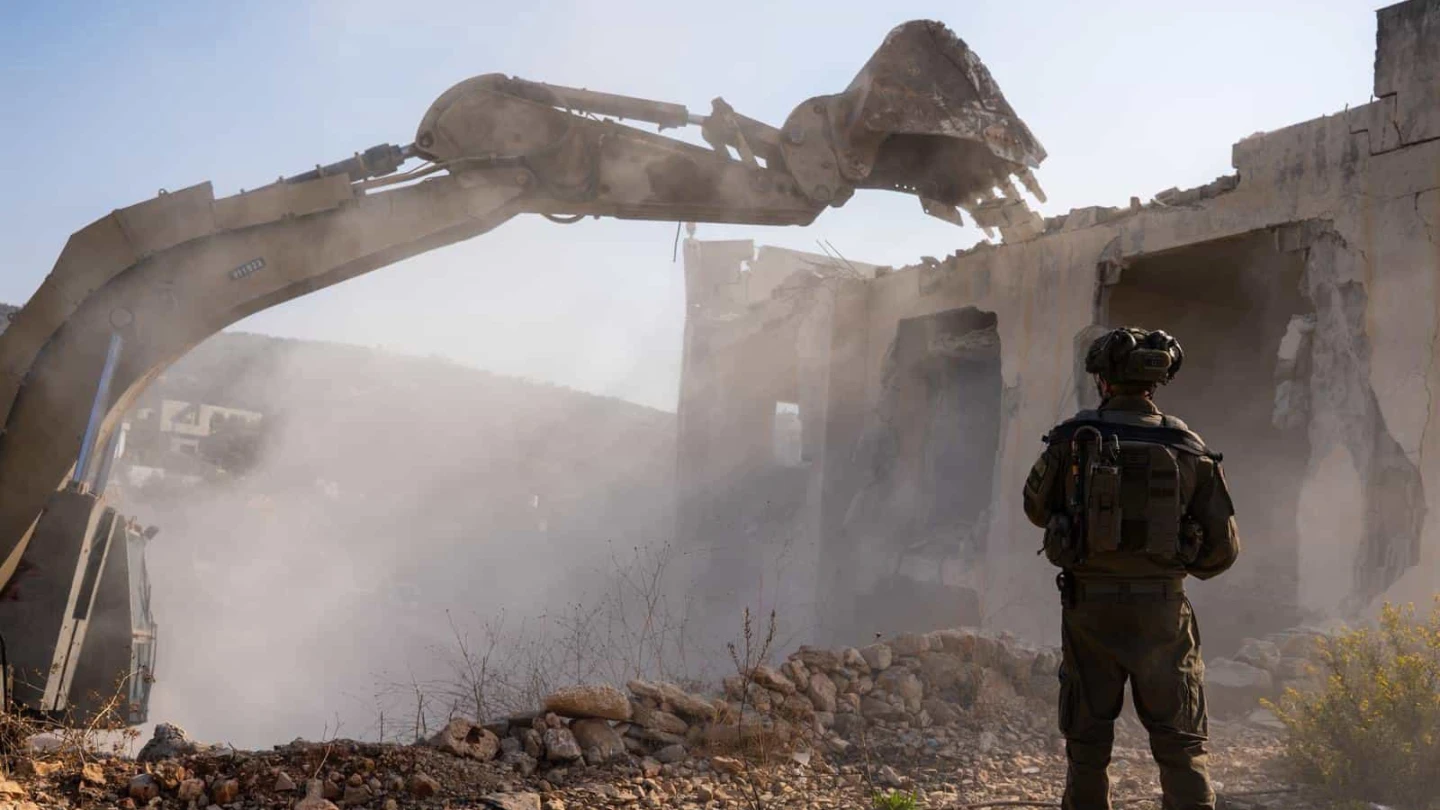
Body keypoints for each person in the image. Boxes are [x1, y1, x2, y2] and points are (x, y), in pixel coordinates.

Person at [1022, 327, 1240, 810]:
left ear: (1102, 380)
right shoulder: (1187, 446)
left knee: (1087, 746)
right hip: (1162, 613)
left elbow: (1035, 510)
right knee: (1181, 744)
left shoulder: (1071, 440)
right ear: (1156, 383)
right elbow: (1222, 552)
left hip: (1089, 611)